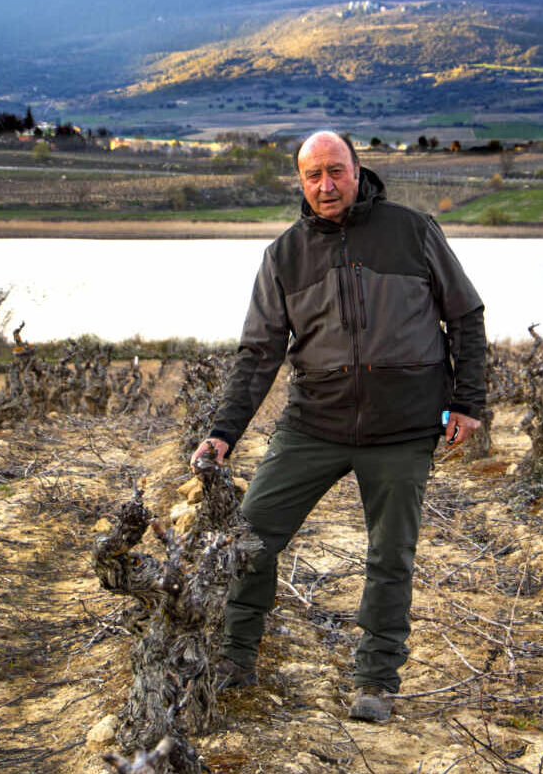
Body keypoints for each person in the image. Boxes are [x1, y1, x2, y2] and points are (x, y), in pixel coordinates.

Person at [189, 130, 487, 722]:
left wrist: (468, 401)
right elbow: (258, 354)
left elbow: (466, 316)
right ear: (300, 182)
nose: (326, 186)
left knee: (390, 555)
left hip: (403, 427)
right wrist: (224, 432)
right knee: (250, 540)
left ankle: (376, 680)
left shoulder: (413, 230)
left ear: (357, 170)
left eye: (336, 171)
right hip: (313, 424)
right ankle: (234, 659)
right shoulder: (284, 255)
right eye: (312, 175)